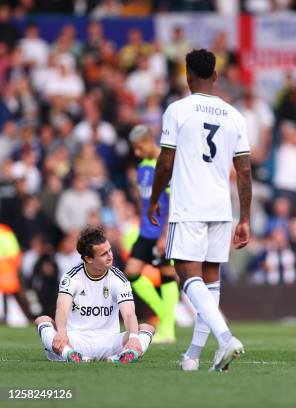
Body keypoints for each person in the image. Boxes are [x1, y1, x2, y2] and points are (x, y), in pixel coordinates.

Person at [148, 49, 252, 372]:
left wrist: (154, 199)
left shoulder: (177, 110)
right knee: (210, 282)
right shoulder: (234, 115)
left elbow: (165, 161)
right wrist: (245, 217)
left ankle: (225, 338)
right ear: (216, 76)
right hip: (221, 208)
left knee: (187, 277)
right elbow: (245, 171)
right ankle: (192, 356)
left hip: (189, 205)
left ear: (188, 76)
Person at [34, 226, 154, 363]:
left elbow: (129, 314)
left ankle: (68, 355)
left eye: (109, 250)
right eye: (104, 254)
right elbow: (62, 308)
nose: (110, 256)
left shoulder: (118, 278)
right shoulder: (71, 277)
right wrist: (61, 332)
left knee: (146, 328)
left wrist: (133, 336)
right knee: (42, 320)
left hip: (110, 343)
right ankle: (72, 354)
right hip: (76, 341)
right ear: (89, 259)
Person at [125, 124, 178, 343]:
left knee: (167, 275)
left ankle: (168, 330)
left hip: (161, 232)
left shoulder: (165, 164)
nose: (136, 153)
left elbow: (173, 201)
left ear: (148, 141)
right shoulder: (142, 167)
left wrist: (166, 235)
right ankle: (165, 316)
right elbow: (143, 200)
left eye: (138, 148)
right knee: (132, 272)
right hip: (146, 230)